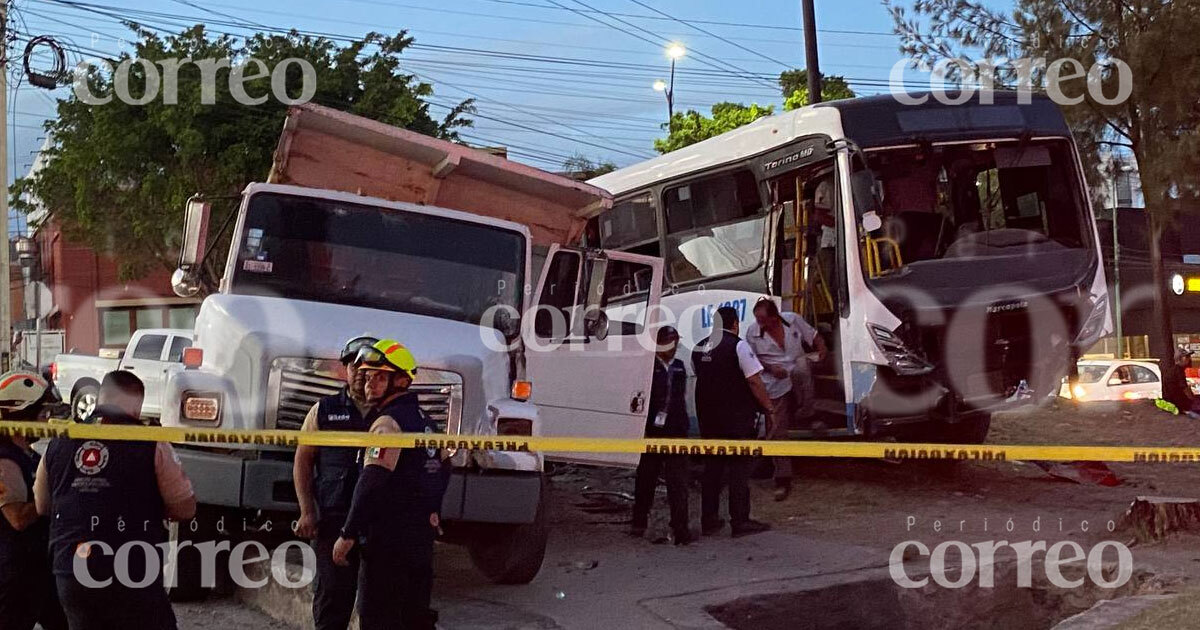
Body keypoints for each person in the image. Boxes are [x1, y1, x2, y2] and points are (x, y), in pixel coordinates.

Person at [34, 370, 196, 630]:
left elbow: (42, 505)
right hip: (131, 569)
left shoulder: (60, 440)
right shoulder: (151, 442)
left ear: (101, 397)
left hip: (71, 569)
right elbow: (185, 508)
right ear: (137, 405)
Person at [331, 339, 449, 630]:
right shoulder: (428, 423)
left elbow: (372, 481)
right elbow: (444, 466)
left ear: (401, 381)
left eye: (380, 377)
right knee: (415, 619)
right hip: (420, 543)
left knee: (378, 618)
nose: (370, 384)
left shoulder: (388, 423)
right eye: (368, 376)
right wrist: (433, 509)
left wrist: (348, 533)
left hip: (387, 545)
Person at [294, 335, 377, 630]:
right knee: (332, 599)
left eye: (369, 368)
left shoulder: (393, 413)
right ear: (345, 369)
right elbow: (303, 461)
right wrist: (307, 510)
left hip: (379, 522)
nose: (362, 374)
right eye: (355, 367)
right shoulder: (325, 410)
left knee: (377, 604)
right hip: (334, 520)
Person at [692, 306, 775, 538]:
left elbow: (703, 377)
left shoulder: (699, 347)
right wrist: (769, 409)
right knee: (739, 471)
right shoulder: (738, 346)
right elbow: (754, 382)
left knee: (713, 471)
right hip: (736, 421)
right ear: (735, 324)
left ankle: (709, 520)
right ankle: (740, 520)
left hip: (708, 421)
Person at [0, 371, 68, 630]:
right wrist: (50, 501)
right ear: (21, 412)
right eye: (41, 413)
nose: (46, 419)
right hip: (15, 572)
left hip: (38, 566)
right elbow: (17, 518)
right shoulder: (5, 460)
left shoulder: (25, 453)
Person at [744, 298, 828, 501]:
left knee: (801, 366)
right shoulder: (753, 333)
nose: (759, 323)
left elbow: (815, 336)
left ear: (774, 317)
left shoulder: (792, 320)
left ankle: (807, 413)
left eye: (763, 319)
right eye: (757, 319)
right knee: (776, 429)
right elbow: (750, 359)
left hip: (798, 373)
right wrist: (770, 368)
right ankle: (782, 477)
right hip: (773, 379)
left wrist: (822, 351)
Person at [630, 326, 694, 545]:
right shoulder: (648, 367)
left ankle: (681, 528)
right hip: (653, 432)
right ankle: (639, 522)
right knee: (646, 479)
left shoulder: (678, 367)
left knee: (678, 482)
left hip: (676, 430)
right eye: (669, 342)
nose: (673, 347)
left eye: (675, 343)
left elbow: (679, 397)